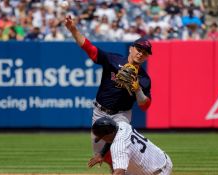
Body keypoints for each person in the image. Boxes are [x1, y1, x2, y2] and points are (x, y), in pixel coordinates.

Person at [64, 15, 152, 167]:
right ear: (131, 48)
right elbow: (89, 48)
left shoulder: (144, 78)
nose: (141, 53)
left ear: (147, 57)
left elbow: (145, 106)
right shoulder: (114, 60)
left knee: (118, 153)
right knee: (103, 156)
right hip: (99, 113)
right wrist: (73, 30)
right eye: (139, 49)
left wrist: (137, 90)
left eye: (145, 52)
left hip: (121, 115)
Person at [88, 117, 173, 175]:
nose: (103, 140)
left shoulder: (118, 147)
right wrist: (102, 154)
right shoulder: (122, 125)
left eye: (102, 138)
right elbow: (112, 138)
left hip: (158, 172)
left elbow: (119, 172)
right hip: (163, 159)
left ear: (108, 134)